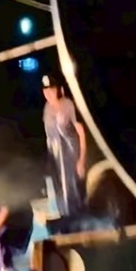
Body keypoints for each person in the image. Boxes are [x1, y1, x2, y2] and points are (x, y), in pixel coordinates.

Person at [41, 75, 87, 220]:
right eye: (45, 90)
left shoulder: (68, 105)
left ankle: (76, 219)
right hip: (53, 152)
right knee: (57, 187)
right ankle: (64, 217)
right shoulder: (47, 108)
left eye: (51, 89)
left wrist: (81, 159)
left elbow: (81, 132)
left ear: (58, 90)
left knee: (71, 188)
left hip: (69, 152)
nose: (48, 93)